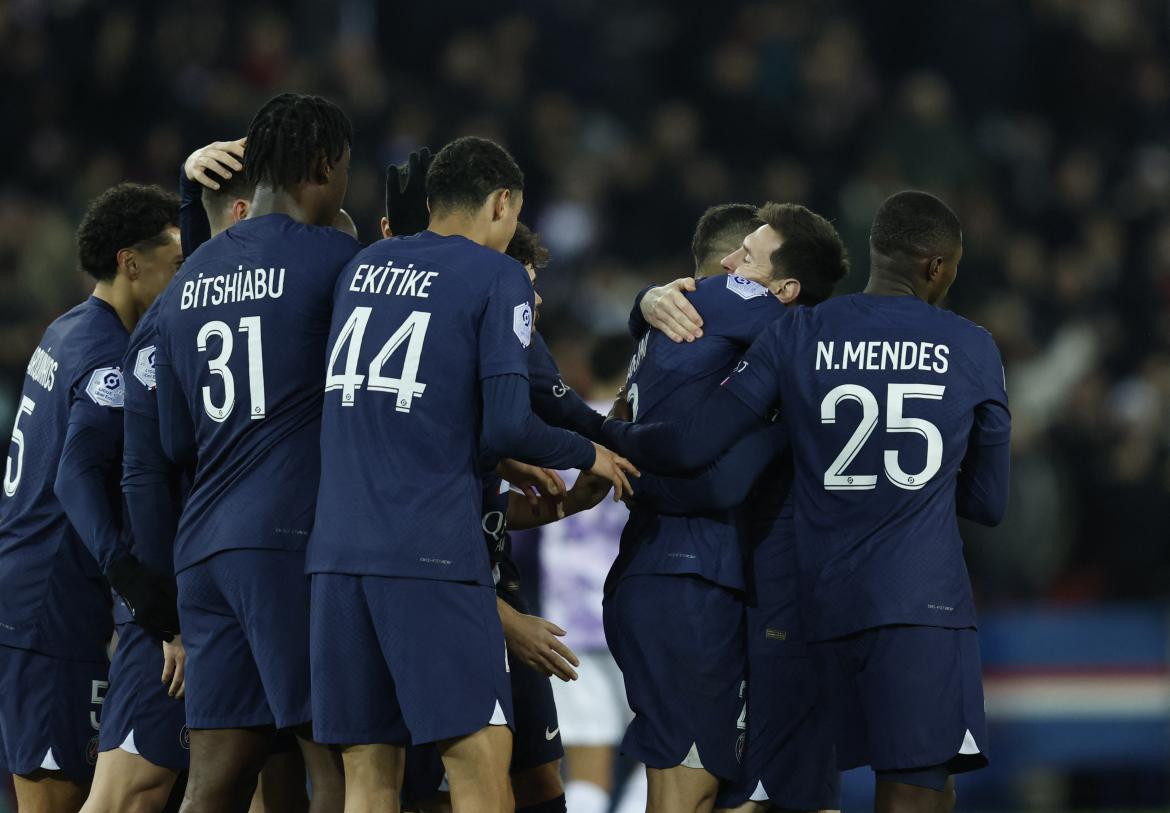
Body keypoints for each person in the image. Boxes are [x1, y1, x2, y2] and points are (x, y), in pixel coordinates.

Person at [600, 191, 1011, 813]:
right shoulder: (971, 345)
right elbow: (988, 500)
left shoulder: (801, 334)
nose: (734, 269)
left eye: (748, 258)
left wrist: (600, 430)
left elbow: (696, 446)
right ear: (938, 266)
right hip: (908, 597)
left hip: (797, 599)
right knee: (900, 791)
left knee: (769, 788)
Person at [307, 135, 636, 813]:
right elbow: (509, 424)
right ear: (503, 202)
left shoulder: (363, 268)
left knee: (369, 776)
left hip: (337, 556)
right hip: (431, 554)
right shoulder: (497, 275)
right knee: (480, 762)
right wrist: (590, 453)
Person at [604, 202, 848, 813]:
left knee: (728, 789)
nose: (735, 268)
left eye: (749, 258)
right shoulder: (743, 320)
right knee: (694, 783)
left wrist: (642, 302)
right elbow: (713, 477)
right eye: (733, 262)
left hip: (696, 573)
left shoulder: (683, 334)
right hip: (690, 571)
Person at [151, 93, 358, 813]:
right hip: (288, 542)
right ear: (326, 166)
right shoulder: (337, 258)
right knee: (334, 758)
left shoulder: (187, 281)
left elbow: (173, 440)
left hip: (203, 547)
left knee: (217, 773)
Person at [0, 183, 182, 812]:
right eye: (177, 263)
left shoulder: (66, 328)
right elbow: (74, 477)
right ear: (132, 264)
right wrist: (125, 572)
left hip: (28, 596)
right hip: (50, 611)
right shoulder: (108, 355)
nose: (185, 277)